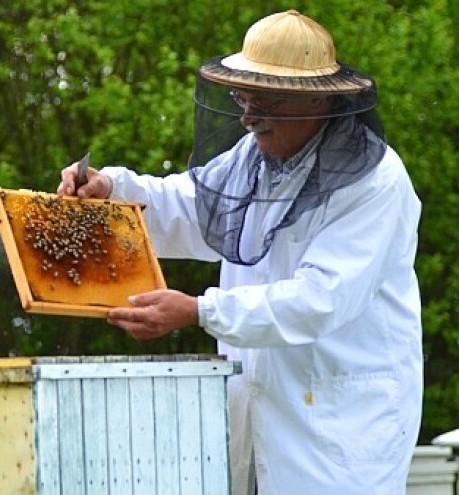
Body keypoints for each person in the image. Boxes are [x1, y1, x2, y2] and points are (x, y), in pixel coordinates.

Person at [58, 10, 422, 495]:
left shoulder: (375, 183)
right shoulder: (253, 158)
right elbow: (191, 206)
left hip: (338, 435)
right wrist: (112, 190)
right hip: (256, 419)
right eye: (243, 99)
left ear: (315, 100)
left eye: (264, 102)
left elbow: (319, 299)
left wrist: (200, 310)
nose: (249, 117)